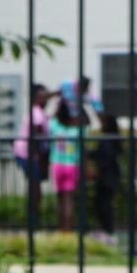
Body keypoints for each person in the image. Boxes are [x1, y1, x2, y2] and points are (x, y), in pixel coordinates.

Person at [47, 93, 85, 232]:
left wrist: (58, 106)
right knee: (69, 199)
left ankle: (61, 229)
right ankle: (68, 230)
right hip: (71, 165)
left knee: (60, 199)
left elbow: (49, 119)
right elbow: (87, 122)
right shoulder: (77, 131)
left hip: (57, 164)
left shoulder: (54, 127)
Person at [15, 83, 51, 228]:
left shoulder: (38, 112)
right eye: (43, 96)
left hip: (30, 154)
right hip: (29, 154)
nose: (46, 99)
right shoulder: (36, 112)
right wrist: (41, 156)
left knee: (35, 187)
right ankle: (33, 220)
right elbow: (36, 133)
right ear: (36, 98)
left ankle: (35, 218)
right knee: (35, 188)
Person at [90, 109, 126, 242]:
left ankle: (108, 232)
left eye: (103, 122)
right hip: (108, 176)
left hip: (108, 177)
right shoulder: (108, 138)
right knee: (101, 204)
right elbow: (99, 153)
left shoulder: (108, 140)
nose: (101, 124)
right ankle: (105, 230)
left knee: (104, 205)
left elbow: (106, 157)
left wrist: (98, 171)